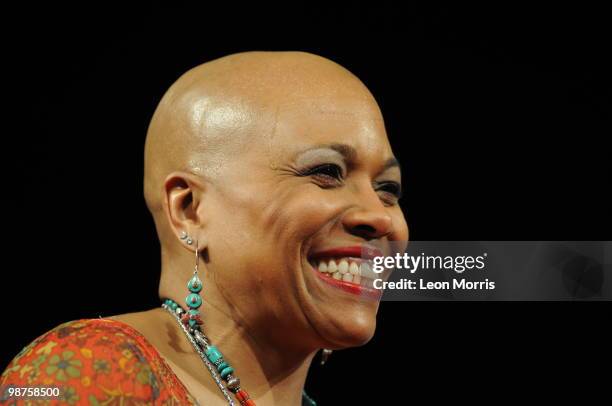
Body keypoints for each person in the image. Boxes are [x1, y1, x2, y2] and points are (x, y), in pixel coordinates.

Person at [1, 51, 408, 405]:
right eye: (327, 172)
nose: (380, 217)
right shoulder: (90, 370)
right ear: (190, 209)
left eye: (387, 189)